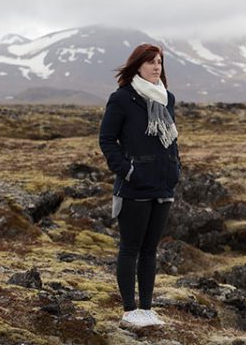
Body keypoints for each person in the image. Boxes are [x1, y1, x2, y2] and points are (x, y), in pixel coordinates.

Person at [99, 43, 181, 328]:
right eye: (150, 62)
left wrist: (175, 169)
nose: (156, 67)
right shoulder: (121, 98)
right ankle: (130, 310)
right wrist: (128, 171)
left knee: (150, 250)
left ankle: (147, 309)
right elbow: (106, 140)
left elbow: (170, 139)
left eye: (159, 62)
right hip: (134, 186)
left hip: (162, 184)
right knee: (130, 248)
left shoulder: (166, 98)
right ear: (137, 66)